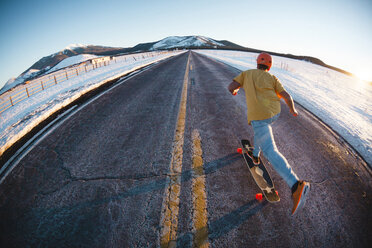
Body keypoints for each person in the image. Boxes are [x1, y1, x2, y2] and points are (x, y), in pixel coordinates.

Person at [228, 52, 310, 215]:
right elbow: (287, 96)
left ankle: (296, 184)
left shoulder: (247, 74)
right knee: (261, 130)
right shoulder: (273, 78)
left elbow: (231, 87)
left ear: (257, 63)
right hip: (273, 114)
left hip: (259, 116)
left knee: (270, 150)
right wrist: (292, 109)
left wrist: (235, 91)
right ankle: (256, 155)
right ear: (269, 66)